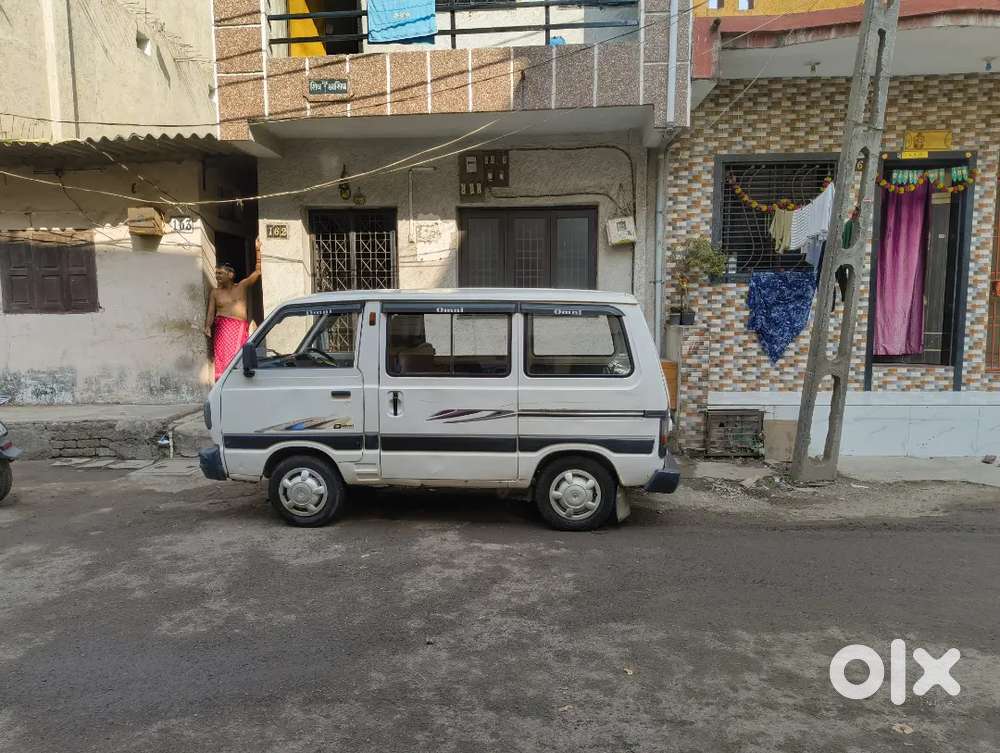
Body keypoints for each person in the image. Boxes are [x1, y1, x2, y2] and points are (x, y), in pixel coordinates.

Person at [205, 237, 262, 381]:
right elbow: (211, 312)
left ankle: (238, 382)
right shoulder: (215, 293)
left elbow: (257, 273)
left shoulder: (241, 286)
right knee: (222, 360)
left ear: (230, 275)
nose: (217, 277)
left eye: (220, 274)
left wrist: (257, 250)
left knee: (238, 359)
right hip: (222, 332)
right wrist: (207, 326)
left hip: (238, 329)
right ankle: (225, 384)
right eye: (216, 274)